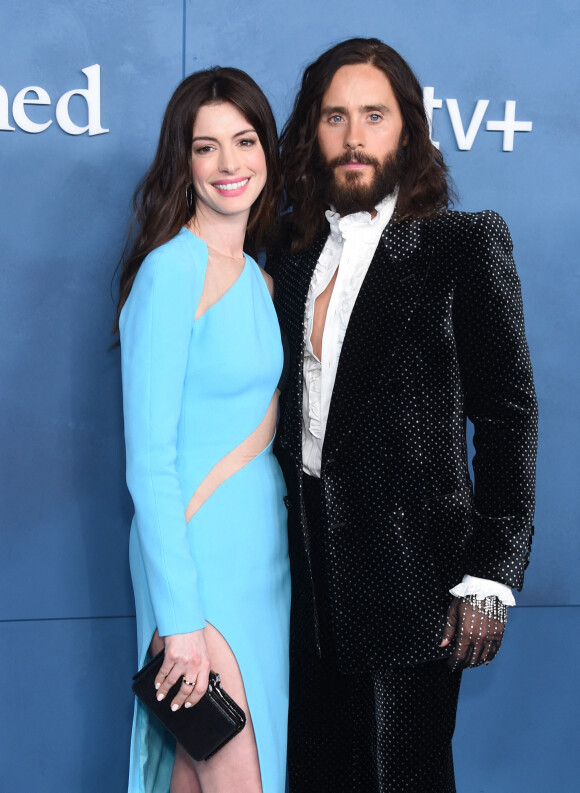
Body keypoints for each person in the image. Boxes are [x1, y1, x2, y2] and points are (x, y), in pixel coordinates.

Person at [268, 38, 538, 793]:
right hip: (304, 581)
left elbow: (510, 411)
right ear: (311, 132)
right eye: (336, 117)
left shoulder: (462, 242)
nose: (355, 137)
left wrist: (493, 572)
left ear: (407, 132)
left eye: (375, 117)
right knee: (315, 776)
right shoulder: (287, 252)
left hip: (419, 580)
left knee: (403, 780)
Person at [114, 67, 290, 793]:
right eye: (206, 147)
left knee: (202, 768)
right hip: (197, 560)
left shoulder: (260, 278)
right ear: (182, 163)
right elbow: (149, 459)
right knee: (231, 769)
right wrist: (179, 617)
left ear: (267, 152)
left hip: (263, 560)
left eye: (244, 142)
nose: (229, 165)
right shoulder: (170, 272)